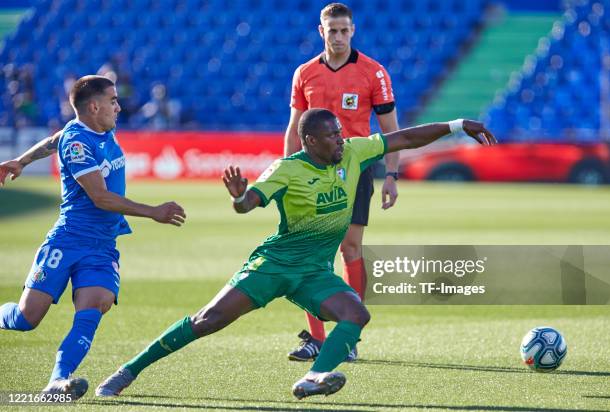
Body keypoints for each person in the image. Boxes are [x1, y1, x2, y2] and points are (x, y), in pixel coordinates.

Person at [95, 108, 496, 399]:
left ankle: (314, 378)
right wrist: (237, 198)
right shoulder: (286, 168)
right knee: (208, 320)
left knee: (356, 314)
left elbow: (404, 138)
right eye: (333, 136)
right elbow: (248, 204)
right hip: (274, 265)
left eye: (341, 133)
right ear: (311, 141)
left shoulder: (354, 153)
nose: (342, 139)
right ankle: (126, 371)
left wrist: (457, 125)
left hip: (312, 273)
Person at [0, 75, 186, 399]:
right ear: (94, 106)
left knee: (95, 304)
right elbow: (101, 197)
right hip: (68, 239)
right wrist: (153, 211)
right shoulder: (77, 144)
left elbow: (53, 138)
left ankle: (57, 382)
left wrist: (22, 160)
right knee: (26, 318)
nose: (119, 106)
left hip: (102, 246)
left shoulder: (101, 127)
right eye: (113, 100)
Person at [284, 2, 401, 361]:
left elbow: (392, 132)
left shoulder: (373, 73)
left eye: (343, 30)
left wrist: (392, 175)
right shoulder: (304, 73)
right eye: (331, 30)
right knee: (308, 253)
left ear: (353, 31)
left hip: (354, 168)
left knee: (349, 248)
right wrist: (286, 172)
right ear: (321, 32)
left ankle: (348, 336)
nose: (337, 36)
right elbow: (294, 128)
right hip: (311, 171)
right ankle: (315, 340)